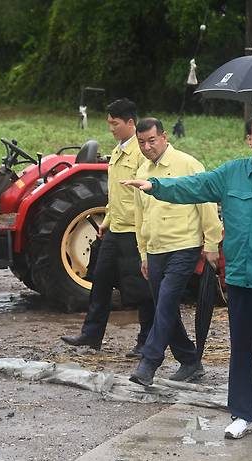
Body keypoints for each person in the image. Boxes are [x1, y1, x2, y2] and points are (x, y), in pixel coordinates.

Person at [122, 109, 252, 442]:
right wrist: (155, 186)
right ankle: (243, 415)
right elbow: (195, 187)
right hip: (242, 280)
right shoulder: (232, 173)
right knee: (241, 350)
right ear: (250, 139)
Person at [128, 118, 223, 386]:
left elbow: (206, 206)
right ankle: (190, 359)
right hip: (155, 248)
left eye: (152, 140)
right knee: (164, 307)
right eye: (142, 142)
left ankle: (149, 362)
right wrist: (143, 253)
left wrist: (212, 243)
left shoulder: (188, 164)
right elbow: (140, 216)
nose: (147, 147)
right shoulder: (142, 171)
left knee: (167, 301)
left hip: (184, 245)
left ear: (165, 137)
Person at [61, 98, 153, 356]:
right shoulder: (118, 150)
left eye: (115, 123)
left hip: (135, 232)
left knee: (141, 289)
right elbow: (115, 195)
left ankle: (146, 342)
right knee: (100, 281)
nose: (111, 128)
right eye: (109, 123)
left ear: (131, 123)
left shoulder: (140, 153)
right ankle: (90, 335)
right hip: (114, 229)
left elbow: (142, 195)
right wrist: (106, 223)